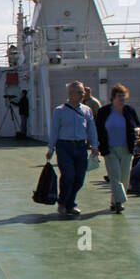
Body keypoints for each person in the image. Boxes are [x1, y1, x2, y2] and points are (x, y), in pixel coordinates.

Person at [45, 82, 99, 217]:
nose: (82, 95)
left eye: (83, 92)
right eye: (79, 92)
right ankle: (63, 203)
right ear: (70, 94)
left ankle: (70, 203)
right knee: (68, 176)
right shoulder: (59, 111)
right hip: (64, 146)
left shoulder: (87, 110)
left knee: (79, 178)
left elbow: (91, 129)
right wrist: (50, 149)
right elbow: (54, 131)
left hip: (81, 146)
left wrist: (94, 146)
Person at [94, 83, 140, 213]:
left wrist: (138, 130)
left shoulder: (129, 111)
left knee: (124, 177)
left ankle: (114, 201)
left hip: (127, 148)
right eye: (119, 96)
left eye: (123, 97)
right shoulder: (104, 112)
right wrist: (95, 145)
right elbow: (97, 129)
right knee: (115, 176)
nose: (122, 99)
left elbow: (139, 125)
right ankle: (119, 201)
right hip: (110, 149)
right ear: (113, 97)